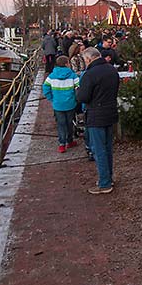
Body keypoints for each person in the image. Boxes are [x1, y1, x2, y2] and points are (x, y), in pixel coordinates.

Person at [76, 47, 120, 195]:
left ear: (88, 59)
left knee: (98, 149)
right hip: (110, 111)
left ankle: (104, 183)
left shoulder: (90, 74)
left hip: (96, 114)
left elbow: (83, 97)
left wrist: (78, 91)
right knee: (107, 148)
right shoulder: (111, 70)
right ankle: (108, 177)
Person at [42, 55, 80, 153]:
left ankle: (62, 144)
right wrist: (76, 99)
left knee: (60, 124)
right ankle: (69, 141)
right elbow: (78, 88)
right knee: (69, 123)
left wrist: (51, 98)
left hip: (58, 104)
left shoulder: (52, 76)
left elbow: (45, 88)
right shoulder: (72, 75)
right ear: (67, 64)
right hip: (70, 103)